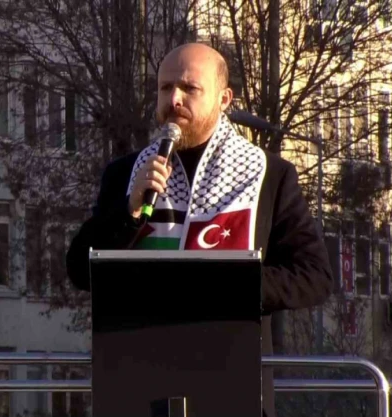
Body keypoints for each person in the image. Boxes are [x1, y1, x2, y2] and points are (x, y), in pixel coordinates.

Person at [65, 42, 334, 417]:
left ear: (224, 99)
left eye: (189, 88)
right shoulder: (126, 174)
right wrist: (129, 210)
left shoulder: (269, 176)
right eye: (164, 88)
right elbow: (80, 270)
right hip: (137, 385)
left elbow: (314, 276)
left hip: (233, 387)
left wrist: (223, 284)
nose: (173, 99)